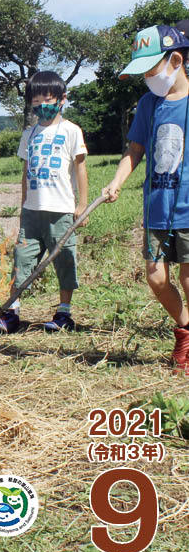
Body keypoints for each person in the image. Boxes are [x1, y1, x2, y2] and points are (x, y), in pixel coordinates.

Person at [103, 24, 189, 374]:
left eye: (151, 70)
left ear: (176, 60)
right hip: (157, 206)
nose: (148, 78)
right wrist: (116, 181)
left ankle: (184, 341)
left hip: (188, 208)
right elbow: (135, 149)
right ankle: (186, 328)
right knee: (156, 278)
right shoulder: (148, 103)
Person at [0, 70, 88, 334]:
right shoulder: (29, 134)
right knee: (22, 260)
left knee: (65, 260)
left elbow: (80, 169)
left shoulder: (71, 131)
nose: (41, 104)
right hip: (32, 212)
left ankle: (63, 313)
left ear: (62, 99)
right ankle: (12, 312)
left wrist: (82, 205)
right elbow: (25, 174)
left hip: (61, 212)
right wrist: (23, 206)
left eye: (47, 98)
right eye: (36, 100)